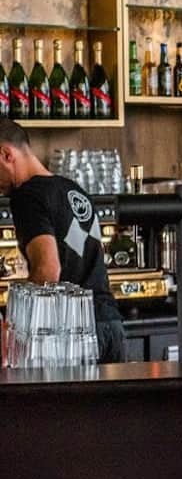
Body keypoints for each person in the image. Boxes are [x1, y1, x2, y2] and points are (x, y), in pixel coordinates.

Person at [0, 118, 125, 363]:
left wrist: (11, 327)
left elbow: (48, 269)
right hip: (112, 325)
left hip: (74, 334)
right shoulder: (73, 189)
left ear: (6, 155)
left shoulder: (27, 196)